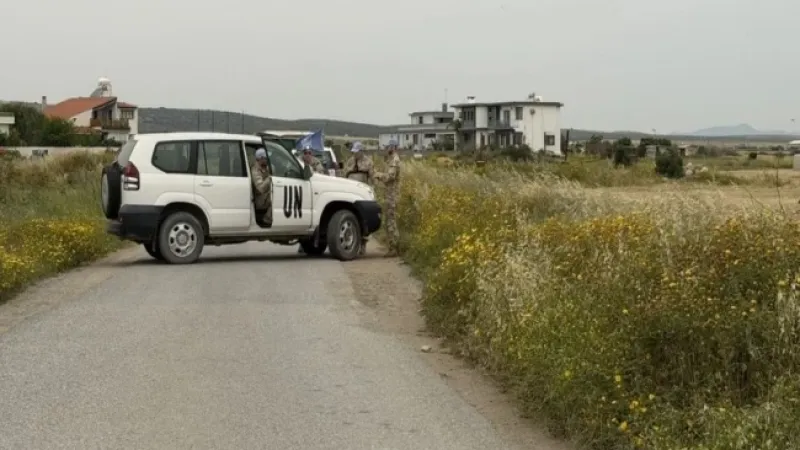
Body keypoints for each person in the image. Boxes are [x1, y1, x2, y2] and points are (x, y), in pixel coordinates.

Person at [343, 141, 374, 255]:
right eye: (353, 152)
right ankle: (352, 242)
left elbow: (372, 177)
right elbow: (345, 175)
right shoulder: (350, 161)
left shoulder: (368, 162)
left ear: (361, 151)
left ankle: (363, 244)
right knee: (352, 217)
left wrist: (371, 191)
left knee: (363, 219)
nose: (355, 154)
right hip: (351, 193)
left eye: (356, 152)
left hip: (362, 194)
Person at [375, 140, 401, 257]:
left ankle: (394, 248)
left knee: (391, 222)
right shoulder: (390, 160)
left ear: (393, 147)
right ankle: (392, 247)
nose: (387, 149)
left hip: (392, 196)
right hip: (390, 194)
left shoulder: (394, 160)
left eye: (389, 147)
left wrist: (379, 175)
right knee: (389, 221)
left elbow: (390, 177)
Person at [251, 148, 272, 227]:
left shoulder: (266, 167)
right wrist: (270, 178)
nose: (268, 160)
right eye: (266, 158)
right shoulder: (255, 170)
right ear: (261, 159)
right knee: (277, 197)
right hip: (259, 198)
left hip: (265, 196)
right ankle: (267, 219)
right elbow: (260, 188)